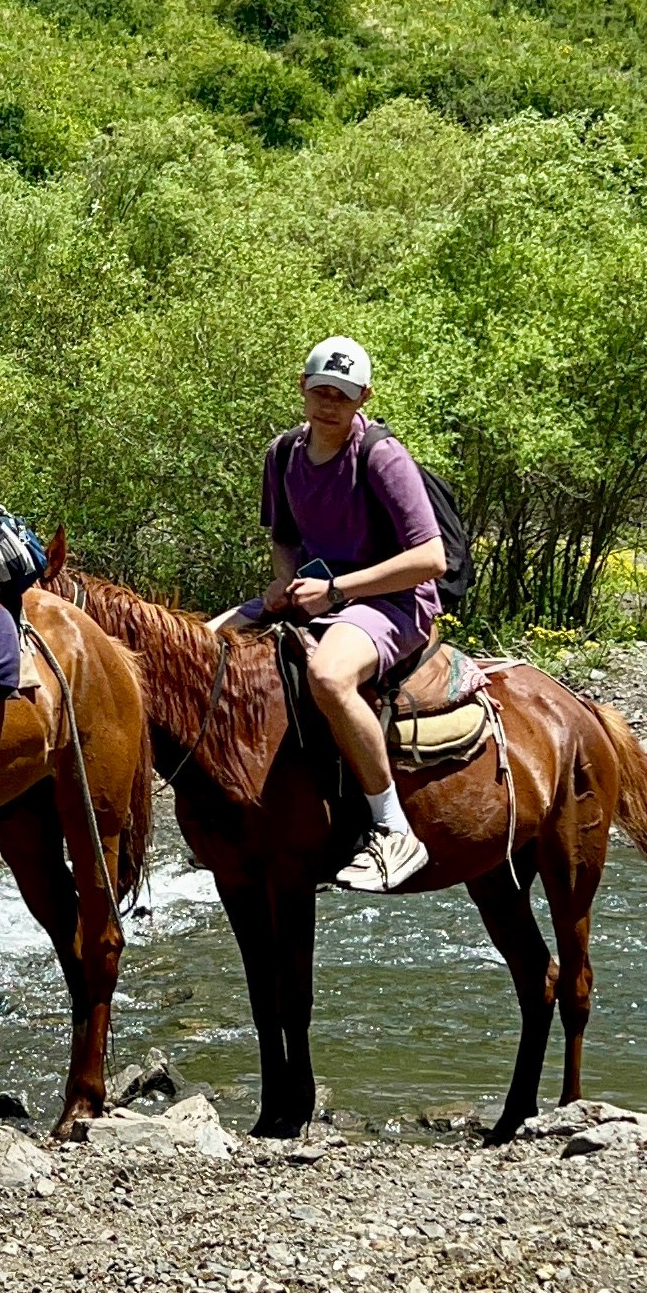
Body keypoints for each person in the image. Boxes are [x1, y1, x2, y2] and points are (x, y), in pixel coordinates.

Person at [214, 337, 445, 896]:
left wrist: (337, 590)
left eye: (341, 396)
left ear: (362, 397)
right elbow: (286, 537)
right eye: (320, 391)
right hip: (315, 590)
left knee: (329, 676)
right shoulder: (284, 453)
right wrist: (281, 582)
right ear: (303, 388)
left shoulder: (381, 456)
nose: (328, 405)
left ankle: (392, 828)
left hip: (392, 600)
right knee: (200, 649)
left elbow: (429, 557)